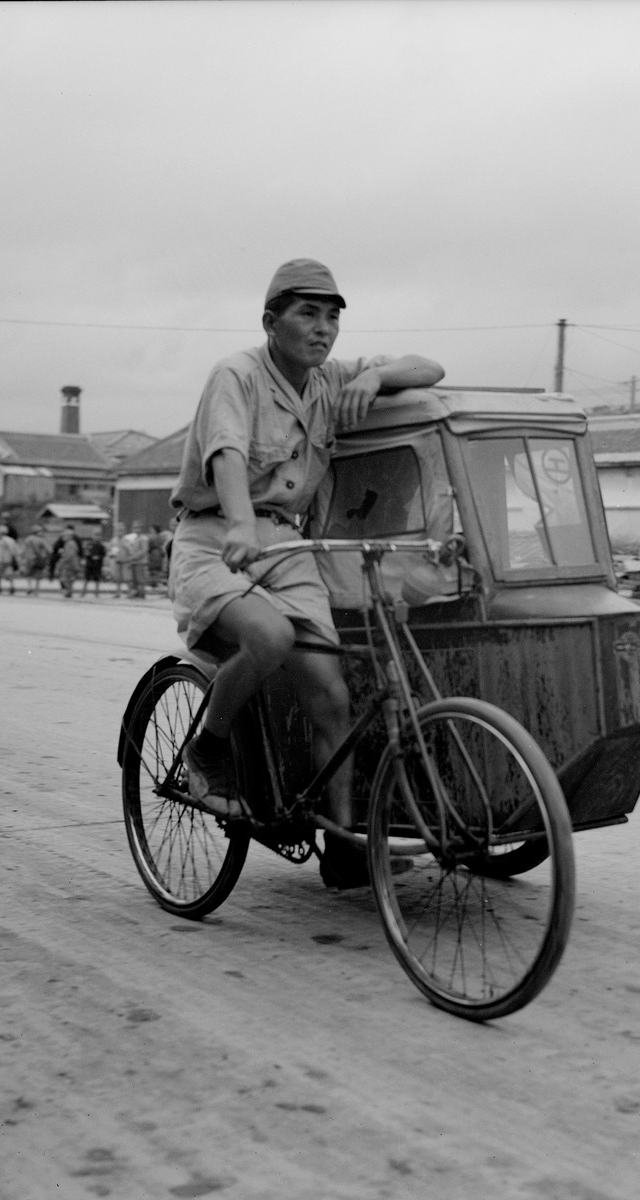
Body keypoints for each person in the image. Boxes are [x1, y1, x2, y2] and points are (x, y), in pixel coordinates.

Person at [168, 258, 444, 889]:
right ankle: (206, 747)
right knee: (270, 637)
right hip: (215, 538)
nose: (323, 330)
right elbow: (227, 454)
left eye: (332, 317)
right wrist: (240, 522)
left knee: (332, 693)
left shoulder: (328, 380)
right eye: (307, 314)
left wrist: (373, 377)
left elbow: (430, 369)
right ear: (271, 323)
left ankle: (345, 843)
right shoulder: (235, 375)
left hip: (290, 547)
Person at [119, 521, 150, 599]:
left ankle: (141, 594)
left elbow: (144, 550)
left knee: (140, 580)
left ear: (141, 529)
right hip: (133, 562)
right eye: (134, 527)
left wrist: (132, 557)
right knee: (134, 580)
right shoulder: (133, 538)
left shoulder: (143, 538)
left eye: (137, 527)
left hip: (141, 562)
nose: (135, 529)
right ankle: (136, 593)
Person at [53, 527, 82, 598]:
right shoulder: (69, 543)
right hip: (69, 564)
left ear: (69, 536)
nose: (62, 537)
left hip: (69, 564)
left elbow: (70, 555)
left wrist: (62, 561)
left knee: (66, 578)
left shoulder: (70, 543)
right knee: (67, 578)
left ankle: (69, 592)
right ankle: (69, 591)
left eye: (64, 536)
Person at [20, 528, 49, 595]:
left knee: (28, 574)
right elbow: (48, 549)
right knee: (38, 575)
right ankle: (36, 590)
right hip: (38, 559)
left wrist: (23, 557)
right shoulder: (41, 540)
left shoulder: (27, 539)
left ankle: (29, 587)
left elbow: (23, 549)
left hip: (28, 559)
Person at [0, 525, 20, 595]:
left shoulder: (1, 541)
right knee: (9, 574)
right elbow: (15, 550)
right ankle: (11, 587)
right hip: (9, 560)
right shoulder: (11, 540)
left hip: (2, 560)